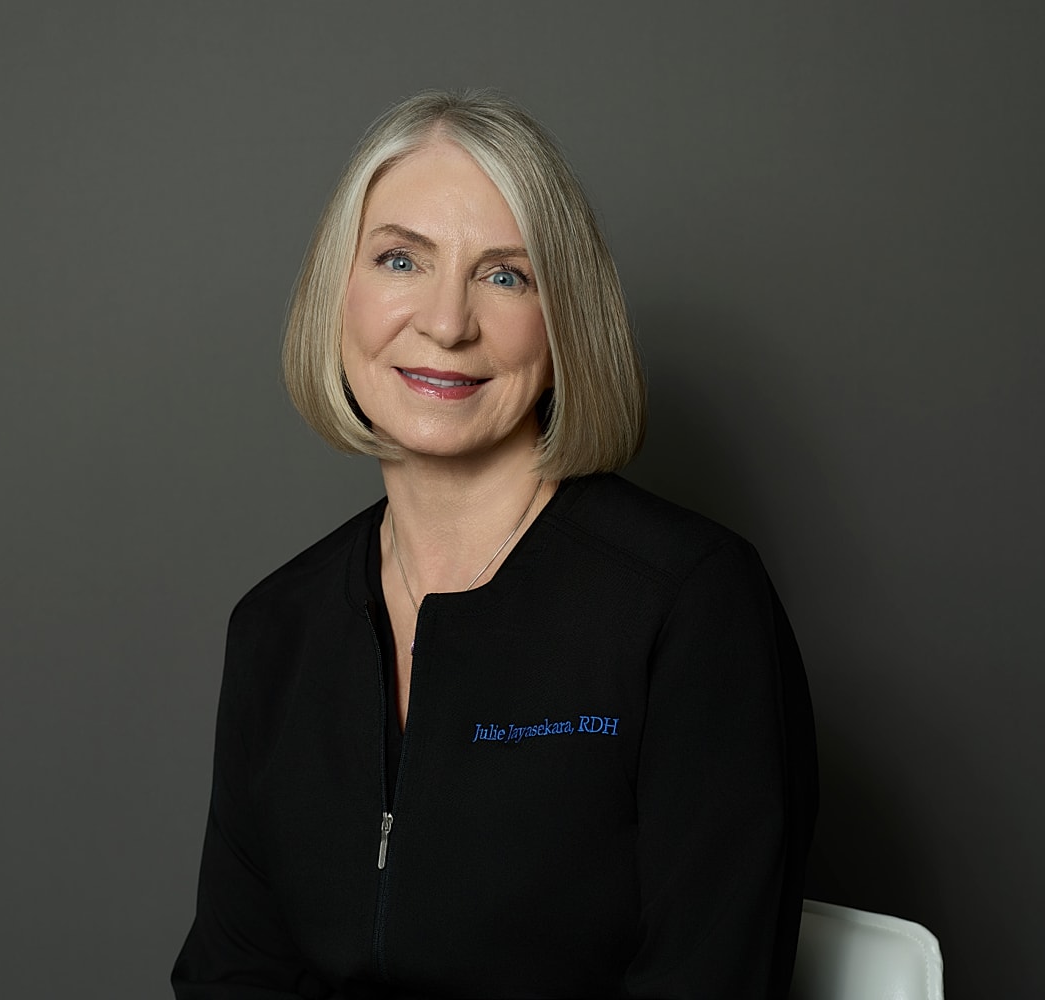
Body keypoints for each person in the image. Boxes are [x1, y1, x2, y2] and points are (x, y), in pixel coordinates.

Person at [172, 89, 817, 999]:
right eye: (401, 259)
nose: (446, 322)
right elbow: (234, 977)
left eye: (506, 275)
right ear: (338, 293)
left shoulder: (689, 604)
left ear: (565, 323)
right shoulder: (277, 628)